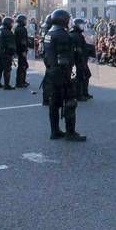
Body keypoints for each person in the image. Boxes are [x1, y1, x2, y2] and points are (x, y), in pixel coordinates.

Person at [44, 9, 86, 141]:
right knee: (70, 101)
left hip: (51, 71)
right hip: (62, 73)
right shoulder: (62, 35)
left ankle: (55, 131)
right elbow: (65, 57)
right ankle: (70, 133)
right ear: (64, 20)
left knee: (54, 103)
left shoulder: (50, 32)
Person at [69, 18, 93, 101]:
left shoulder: (79, 34)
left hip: (82, 59)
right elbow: (77, 50)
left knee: (86, 75)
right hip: (78, 60)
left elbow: (84, 46)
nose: (83, 26)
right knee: (80, 77)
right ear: (77, 25)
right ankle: (79, 95)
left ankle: (85, 93)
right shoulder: (75, 35)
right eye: (82, 24)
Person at [0, 17, 16, 90]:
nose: (12, 25)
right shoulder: (7, 32)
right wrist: (13, 53)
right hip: (6, 52)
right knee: (7, 69)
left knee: (0, 68)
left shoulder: (0, 30)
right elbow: (11, 45)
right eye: (11, 23)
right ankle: (7, 85)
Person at [14, 14, 30, 88]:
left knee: (23, 65)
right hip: (21, 50)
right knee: (23, 66)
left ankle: (22, 81)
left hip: (19, 49)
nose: (26, 22)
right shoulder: (22, 29)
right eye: (25, 20)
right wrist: (24, 50)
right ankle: (20, 82)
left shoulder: (17, 28)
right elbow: (22, 41)